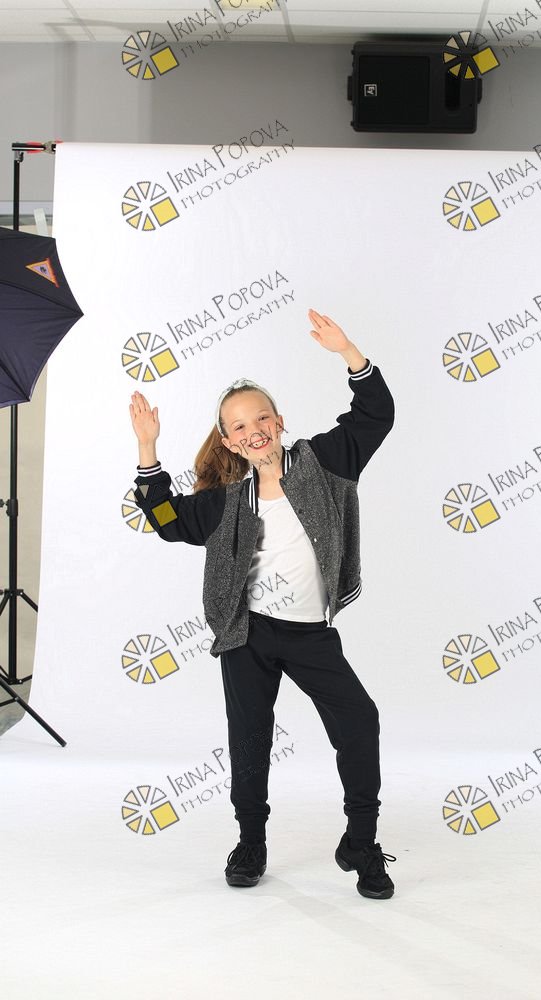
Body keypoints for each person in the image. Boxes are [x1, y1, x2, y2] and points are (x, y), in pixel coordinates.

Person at [129, 308, 396, 899]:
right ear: (228, 441)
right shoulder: (226, 501)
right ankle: (251, 841)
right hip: (247, 635)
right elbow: (168, 520)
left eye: (260, 418)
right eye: (238, 426)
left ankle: (362, 842)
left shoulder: (324, 463)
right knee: (250, 738)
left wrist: (348, 351)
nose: (253, 431)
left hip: (309, 634)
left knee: (360, 721)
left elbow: (376, 414)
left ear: (278, 422)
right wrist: (148, 449)